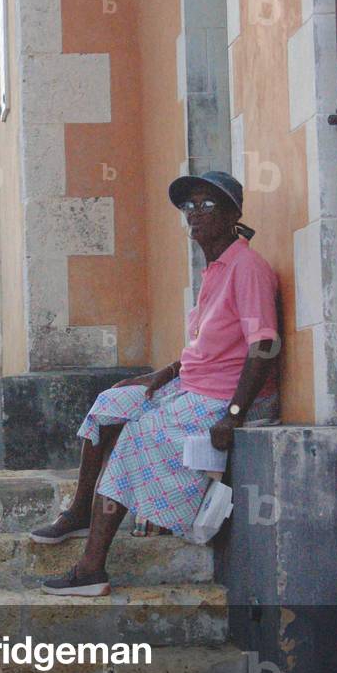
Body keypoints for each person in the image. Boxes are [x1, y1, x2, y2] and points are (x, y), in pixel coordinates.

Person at [32, 171, 281, 596]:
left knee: (135, 438)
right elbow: (206, 347)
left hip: (218, 397)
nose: (194, 215)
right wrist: (160, 375)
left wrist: (234, 416)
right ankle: (79, 510)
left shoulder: (247, 267)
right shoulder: (215, 270)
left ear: (234, 214)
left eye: (206, 205)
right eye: (189, 207)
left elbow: (264, 345)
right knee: (110, 403)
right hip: (190, 383)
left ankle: (92, 569)